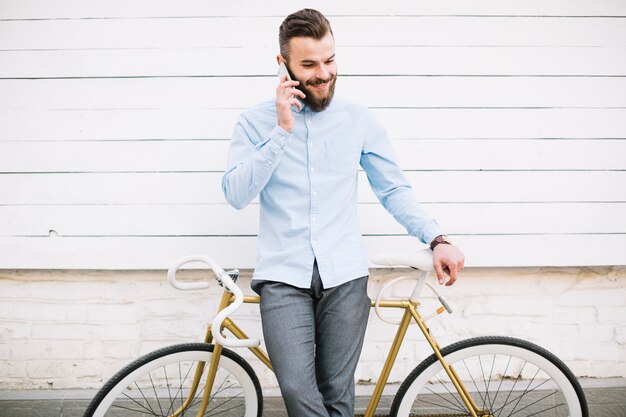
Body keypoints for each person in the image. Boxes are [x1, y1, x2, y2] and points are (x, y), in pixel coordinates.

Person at [222, 8, 465, 417]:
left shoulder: (358, 119)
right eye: (309, 65)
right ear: (283, 65)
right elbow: (235, 193)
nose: (323, 74)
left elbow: (393, 189)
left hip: (345, 276)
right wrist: (281, 132)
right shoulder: (254, 123)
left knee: (337, 395)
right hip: (283, 277)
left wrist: (436, 238)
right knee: (299, 392)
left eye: (330, 60)